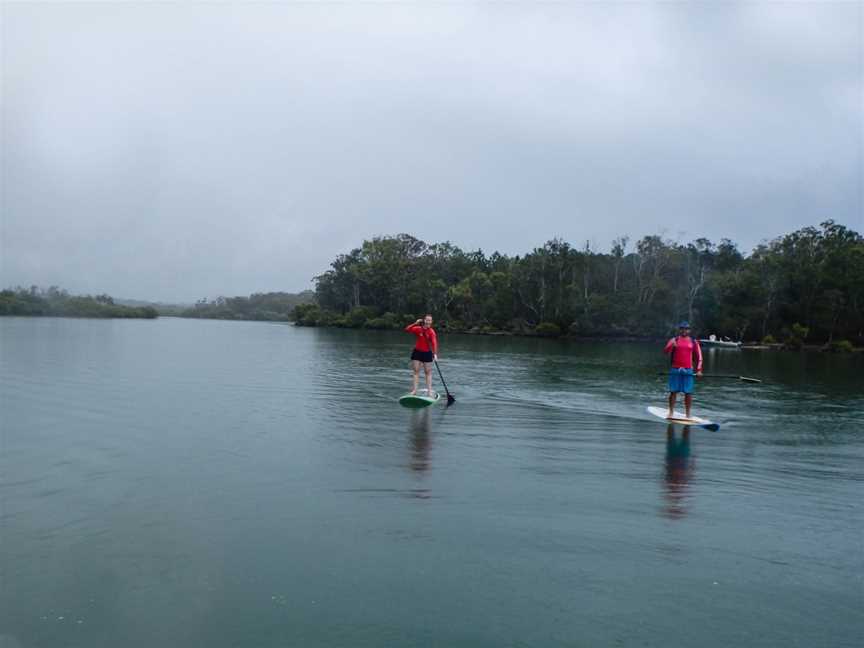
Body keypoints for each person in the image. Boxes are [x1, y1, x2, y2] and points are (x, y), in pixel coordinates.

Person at [663, 321, 703, 419]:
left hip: (688, 370)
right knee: (673, 392)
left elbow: (699, 358)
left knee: (688, 393)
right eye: (682, 329)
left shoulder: (693, 342)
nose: (684, 330)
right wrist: (671, 345)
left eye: (686, 329)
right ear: (679, 330)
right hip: (675, 369)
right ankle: (671, 412)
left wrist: (699, 370)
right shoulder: (674, 340)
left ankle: (688, 414)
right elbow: (665, 351)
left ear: (689, 330)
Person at [404, 315, 438, 395]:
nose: (428, 322)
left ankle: (429, 392)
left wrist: (435, 354)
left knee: (428, 372)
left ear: (431, 322)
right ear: (424, 321)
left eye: (430, 320)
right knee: (416, 371)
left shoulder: (431, 331)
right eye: (427, 320)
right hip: (417, 352)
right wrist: (415, 323)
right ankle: (415, 390)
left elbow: (434, 343)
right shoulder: (418, 329)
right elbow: (407, 329)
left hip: (427, 353)